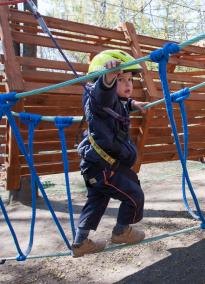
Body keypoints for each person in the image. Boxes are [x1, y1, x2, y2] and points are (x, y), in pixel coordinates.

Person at [72, 50, 148, 258]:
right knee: (134, 195)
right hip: (103, 166)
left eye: (129, 79)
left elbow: (118, 104)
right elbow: (103, 95)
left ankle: (80, 243)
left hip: (96, 165)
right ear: (99, 81)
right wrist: (108, 78)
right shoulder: (98, 98)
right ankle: (121, 231)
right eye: (120, 79)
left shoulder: (113, 103)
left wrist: (133, 104)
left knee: (97, 201)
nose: (127, 84)